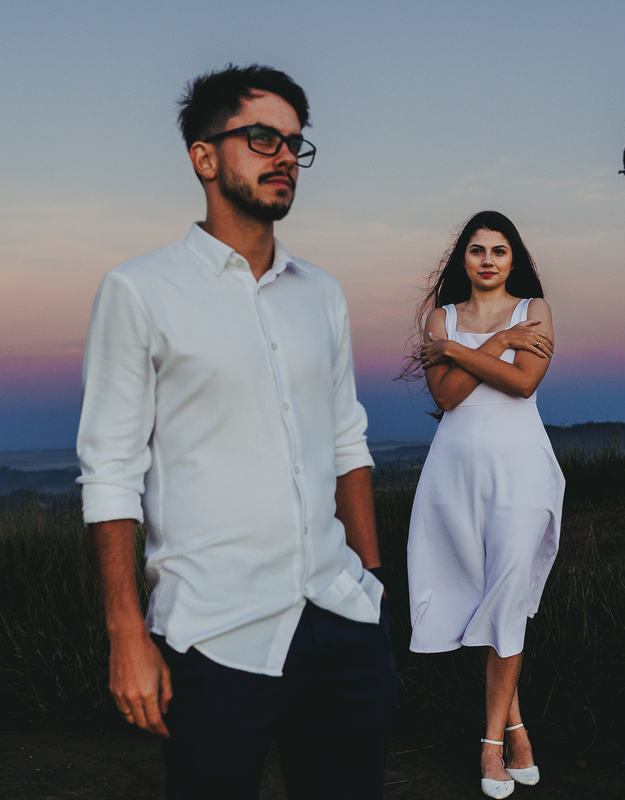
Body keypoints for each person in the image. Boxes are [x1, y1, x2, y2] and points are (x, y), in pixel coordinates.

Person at [76, 64, 397, 800]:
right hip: (216, 634)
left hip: (342, 618)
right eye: (262, 138)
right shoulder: (140, 291)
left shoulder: (323, 293)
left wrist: (372, 586)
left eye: (294, 143)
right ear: (205, 156)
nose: (285, 157)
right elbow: (111, 472)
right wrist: (127, 633)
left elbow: (349, 441)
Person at [406, 211, 565, 798]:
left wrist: (458, 352)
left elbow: (523, 384)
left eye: (500, 250)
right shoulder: (440, 319)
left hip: (520, 468)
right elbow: (447, 397)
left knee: (507, 591)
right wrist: (496, 343)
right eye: (477, 250)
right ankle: (519, 728)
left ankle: (492, 743)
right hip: (456, 472)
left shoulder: (537, 311)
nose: (489, 260)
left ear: (514, 259)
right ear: (463, 260)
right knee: (482, 592)